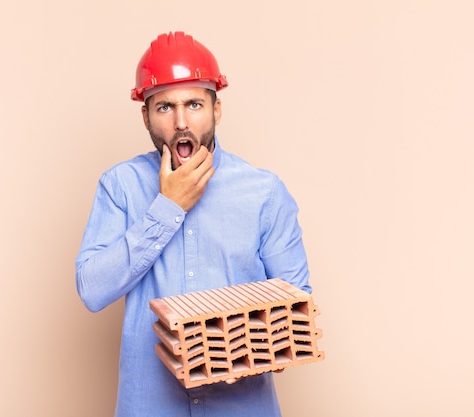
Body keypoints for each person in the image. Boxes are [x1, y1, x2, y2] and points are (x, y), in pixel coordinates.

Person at [76, 31, 311, 417]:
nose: (181, 121)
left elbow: (295, 312)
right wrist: (167, 207)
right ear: (146, 116)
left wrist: (243, 353)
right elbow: (92, 289)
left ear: (216, 110)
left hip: (242, 406)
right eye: (165, 107)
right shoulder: (119, 186)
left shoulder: (263, 192)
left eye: (195, 104)